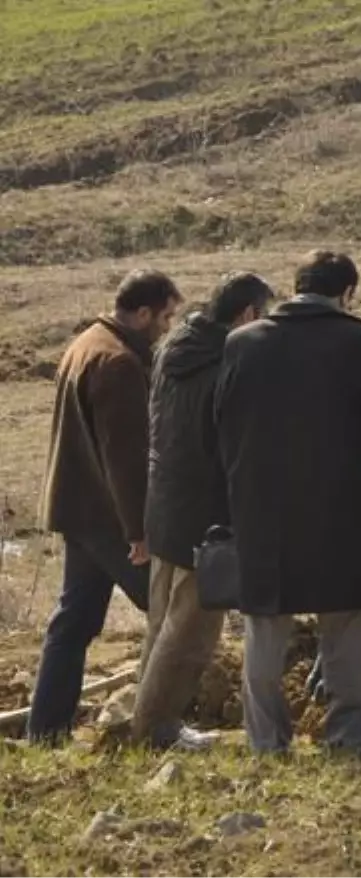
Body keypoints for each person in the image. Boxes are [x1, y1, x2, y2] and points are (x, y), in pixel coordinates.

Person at [214, 250, 361, 756]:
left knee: (264, 629)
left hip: (264, 511)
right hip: (342, 510)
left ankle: (266, 741)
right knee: (350, 624)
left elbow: (221, 425)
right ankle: (348, 737)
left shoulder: (242, 344)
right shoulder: (359, 341)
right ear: (346, 293)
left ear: (295, 285)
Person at [27, 269, 183, 746]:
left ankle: (46, 729)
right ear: (141, 313)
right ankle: (158, 724)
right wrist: (139, 531)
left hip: (80, 510)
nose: (168, 328)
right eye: (165, 318)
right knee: (170, 613)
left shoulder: (87, 342)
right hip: (110, 516)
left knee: (73, 621)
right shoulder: (117, 363)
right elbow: (125, 458)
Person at [131, 271, 275, 751]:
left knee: (161, 622)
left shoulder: (174, 349)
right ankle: (157, 729)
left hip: (165, 503)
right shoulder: (228, 364)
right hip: (205, 516)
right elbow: (234, 448)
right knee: (190, 633)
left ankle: (145, 717)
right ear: (248, 315)